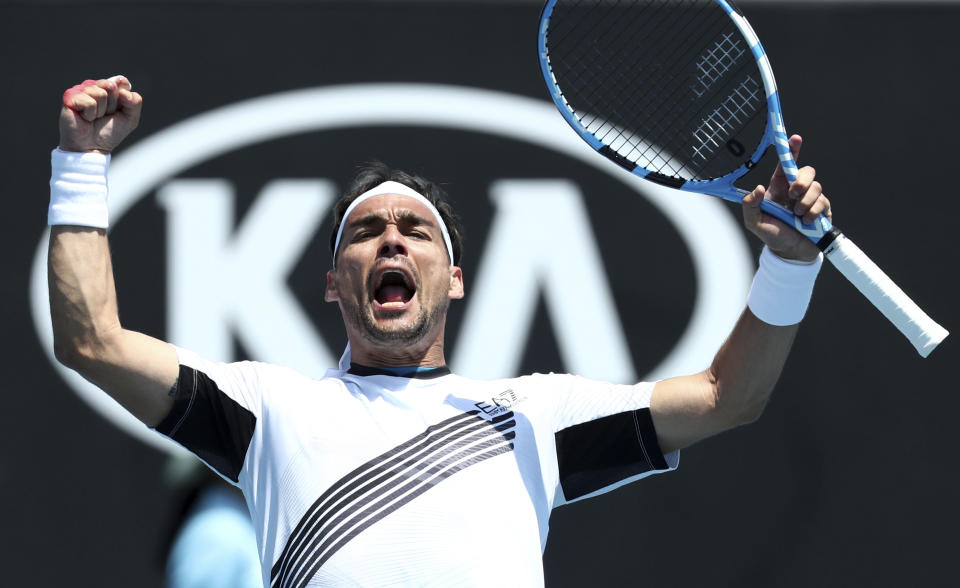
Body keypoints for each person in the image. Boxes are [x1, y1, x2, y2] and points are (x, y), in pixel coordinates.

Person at [48, 76, 831, 587]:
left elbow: (731, 396)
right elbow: (93, 342)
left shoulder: (536, 416)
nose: (392, 239)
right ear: (333, 283)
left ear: (454, 280)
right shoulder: (269, 409)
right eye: (366, 232)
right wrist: (80, 163)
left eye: (417, 231)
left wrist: (791, 264)